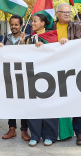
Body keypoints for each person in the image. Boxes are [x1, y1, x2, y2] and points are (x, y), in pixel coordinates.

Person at [19, 14, 59, 147]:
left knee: (49, 106)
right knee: (33, 106)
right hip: (32, 76)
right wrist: (22, 43)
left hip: (49, 77)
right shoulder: (29, 38)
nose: (32, 23)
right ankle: (35, 135)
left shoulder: (53, 36)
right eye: (32, 21)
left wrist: (45, 46)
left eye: (35, 21)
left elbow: (57, 53)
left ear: (43, 23)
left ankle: (50, 135)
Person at [52, 3, 81, 145]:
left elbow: (80, 44)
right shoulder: (50, 27)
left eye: (68, 12)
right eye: (63, 12)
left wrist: (68, 43)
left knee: (76, 100)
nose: (67, 14)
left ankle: (80, 133)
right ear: (57, 13)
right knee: (56, 101)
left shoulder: (76, 27)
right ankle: (57, 132)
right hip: (54, 69)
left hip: (72, 68)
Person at [1, 15, 29, 141]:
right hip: (9, 74)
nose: (13, 27)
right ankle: (12, 129)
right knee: (10, 103)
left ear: (21, 25)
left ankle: (24, 130)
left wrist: (23, 44)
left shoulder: (27, 38)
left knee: (23, 103)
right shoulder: (5, 38)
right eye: (12, 25)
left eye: (16, 25)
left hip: (23, 75)